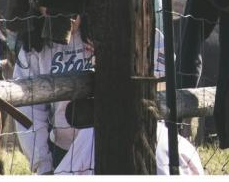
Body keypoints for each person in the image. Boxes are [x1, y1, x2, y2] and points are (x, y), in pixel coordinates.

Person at [12, 12, 203, 175]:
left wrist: (115, 56)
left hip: (129, 138)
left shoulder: (113, 23)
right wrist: (43, 166)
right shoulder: (33, 46)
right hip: (65, 151)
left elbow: (162, 82)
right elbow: (30, 112)